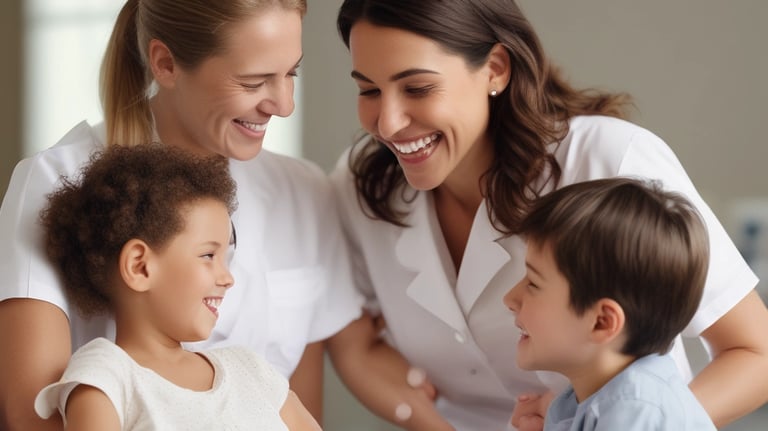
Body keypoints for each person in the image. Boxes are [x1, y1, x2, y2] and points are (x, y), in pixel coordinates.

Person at [328, 0, 768, 430]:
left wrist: (622, 421)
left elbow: (756, 354)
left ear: (496, 68)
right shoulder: (361, 184)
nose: (386, 123)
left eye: (418, 88)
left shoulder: (609, 160)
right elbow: (357, 342)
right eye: (368, 90)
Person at [0, 1, 367, 429]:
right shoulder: (54, 182)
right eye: (254, 81)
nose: (284, 105)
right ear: (166, 63)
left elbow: (299, 412)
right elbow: (31, 416)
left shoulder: (304, 193)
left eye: (291, 74)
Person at [33, 144, 321, 430]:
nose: (228, 277)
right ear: (140, 266)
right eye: (208, 255)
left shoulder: (251, 371)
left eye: (227, 258)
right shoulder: (107, 379)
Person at [503, 177, 716, 430]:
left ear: (602, 322)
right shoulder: (587, 401)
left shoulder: (635, 408)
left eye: (534, 284)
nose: (510, 299)